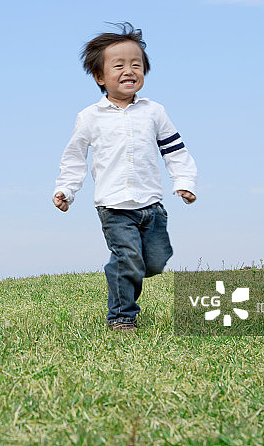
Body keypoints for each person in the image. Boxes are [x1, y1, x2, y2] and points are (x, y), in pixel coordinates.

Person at [53, 23, 197, 332]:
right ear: (100, 77)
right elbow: (75, 156)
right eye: (119, 65)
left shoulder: (154, 111)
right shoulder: (90, 116)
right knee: (127, 257)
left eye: (136, 64)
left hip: (152, 205)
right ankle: (121, 317)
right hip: (114, 205)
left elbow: (175, 150)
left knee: (155, 262)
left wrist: (184, 182)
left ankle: (126, 273)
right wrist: (66, 189)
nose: (129, 70)